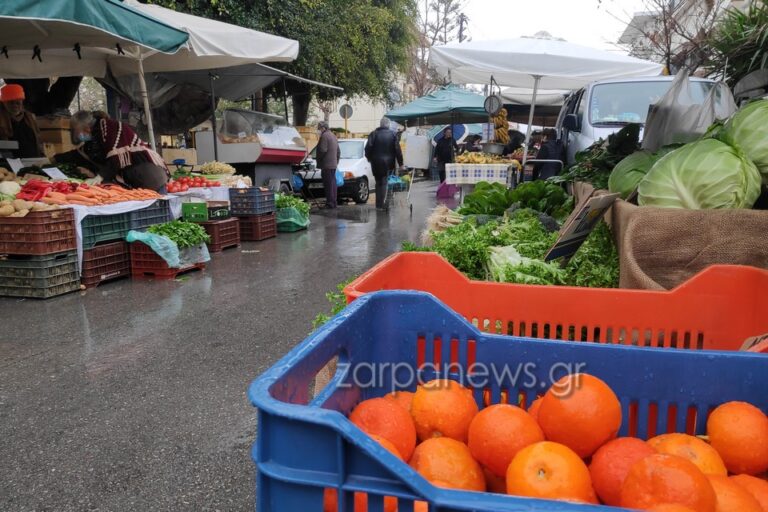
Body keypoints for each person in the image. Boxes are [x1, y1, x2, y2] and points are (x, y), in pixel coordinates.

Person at [53, 110, 169, 192]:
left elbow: (116, 159)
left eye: (77, 131)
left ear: (86, 128)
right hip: (134, 181)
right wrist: (54, 158)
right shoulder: (94, 141)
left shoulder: (111, 127)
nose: (77, 135)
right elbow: (77, 155)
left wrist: (99, 177)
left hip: (148, 176)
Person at [365, 118, 403, 211]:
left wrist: (370, 158)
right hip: (389, 163)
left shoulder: (373, 134)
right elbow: (398, 150)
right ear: (388, 125)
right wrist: (401, 163)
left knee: (378, 183)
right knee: (386, 182)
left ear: (380, 124)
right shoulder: (393, 134)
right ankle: (385, 204)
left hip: (376, 162)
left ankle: (378, 205)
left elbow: (367, 148)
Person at [0, 84, 43, 158]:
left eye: (18, 103)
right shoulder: (1, 118)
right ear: (3, 103)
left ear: (22, 102)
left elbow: (38, 140)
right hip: (7, 164)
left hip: (33, 161)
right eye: (11, 103)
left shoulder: (29, 117)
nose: (15, 106)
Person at [315, 121, 340, 209]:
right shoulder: (333, 136)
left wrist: (319, 159)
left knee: (328, 184)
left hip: (326, 164)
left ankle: (330, 203)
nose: (318, 130)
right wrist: (336, 162)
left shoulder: (324, 136)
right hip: (333, 164)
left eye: (319, 128)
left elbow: (322, 150)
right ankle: (333, 202)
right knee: (332, 183)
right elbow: (338, 151)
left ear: (323, 128)